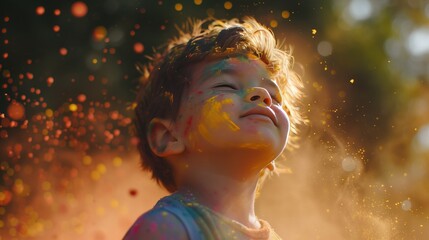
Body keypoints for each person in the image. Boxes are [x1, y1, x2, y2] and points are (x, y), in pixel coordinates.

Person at [123, 17, 304, 240]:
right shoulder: (166, 228)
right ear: (167, 137)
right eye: (226, 85)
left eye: (274, 97)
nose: (263, 96)